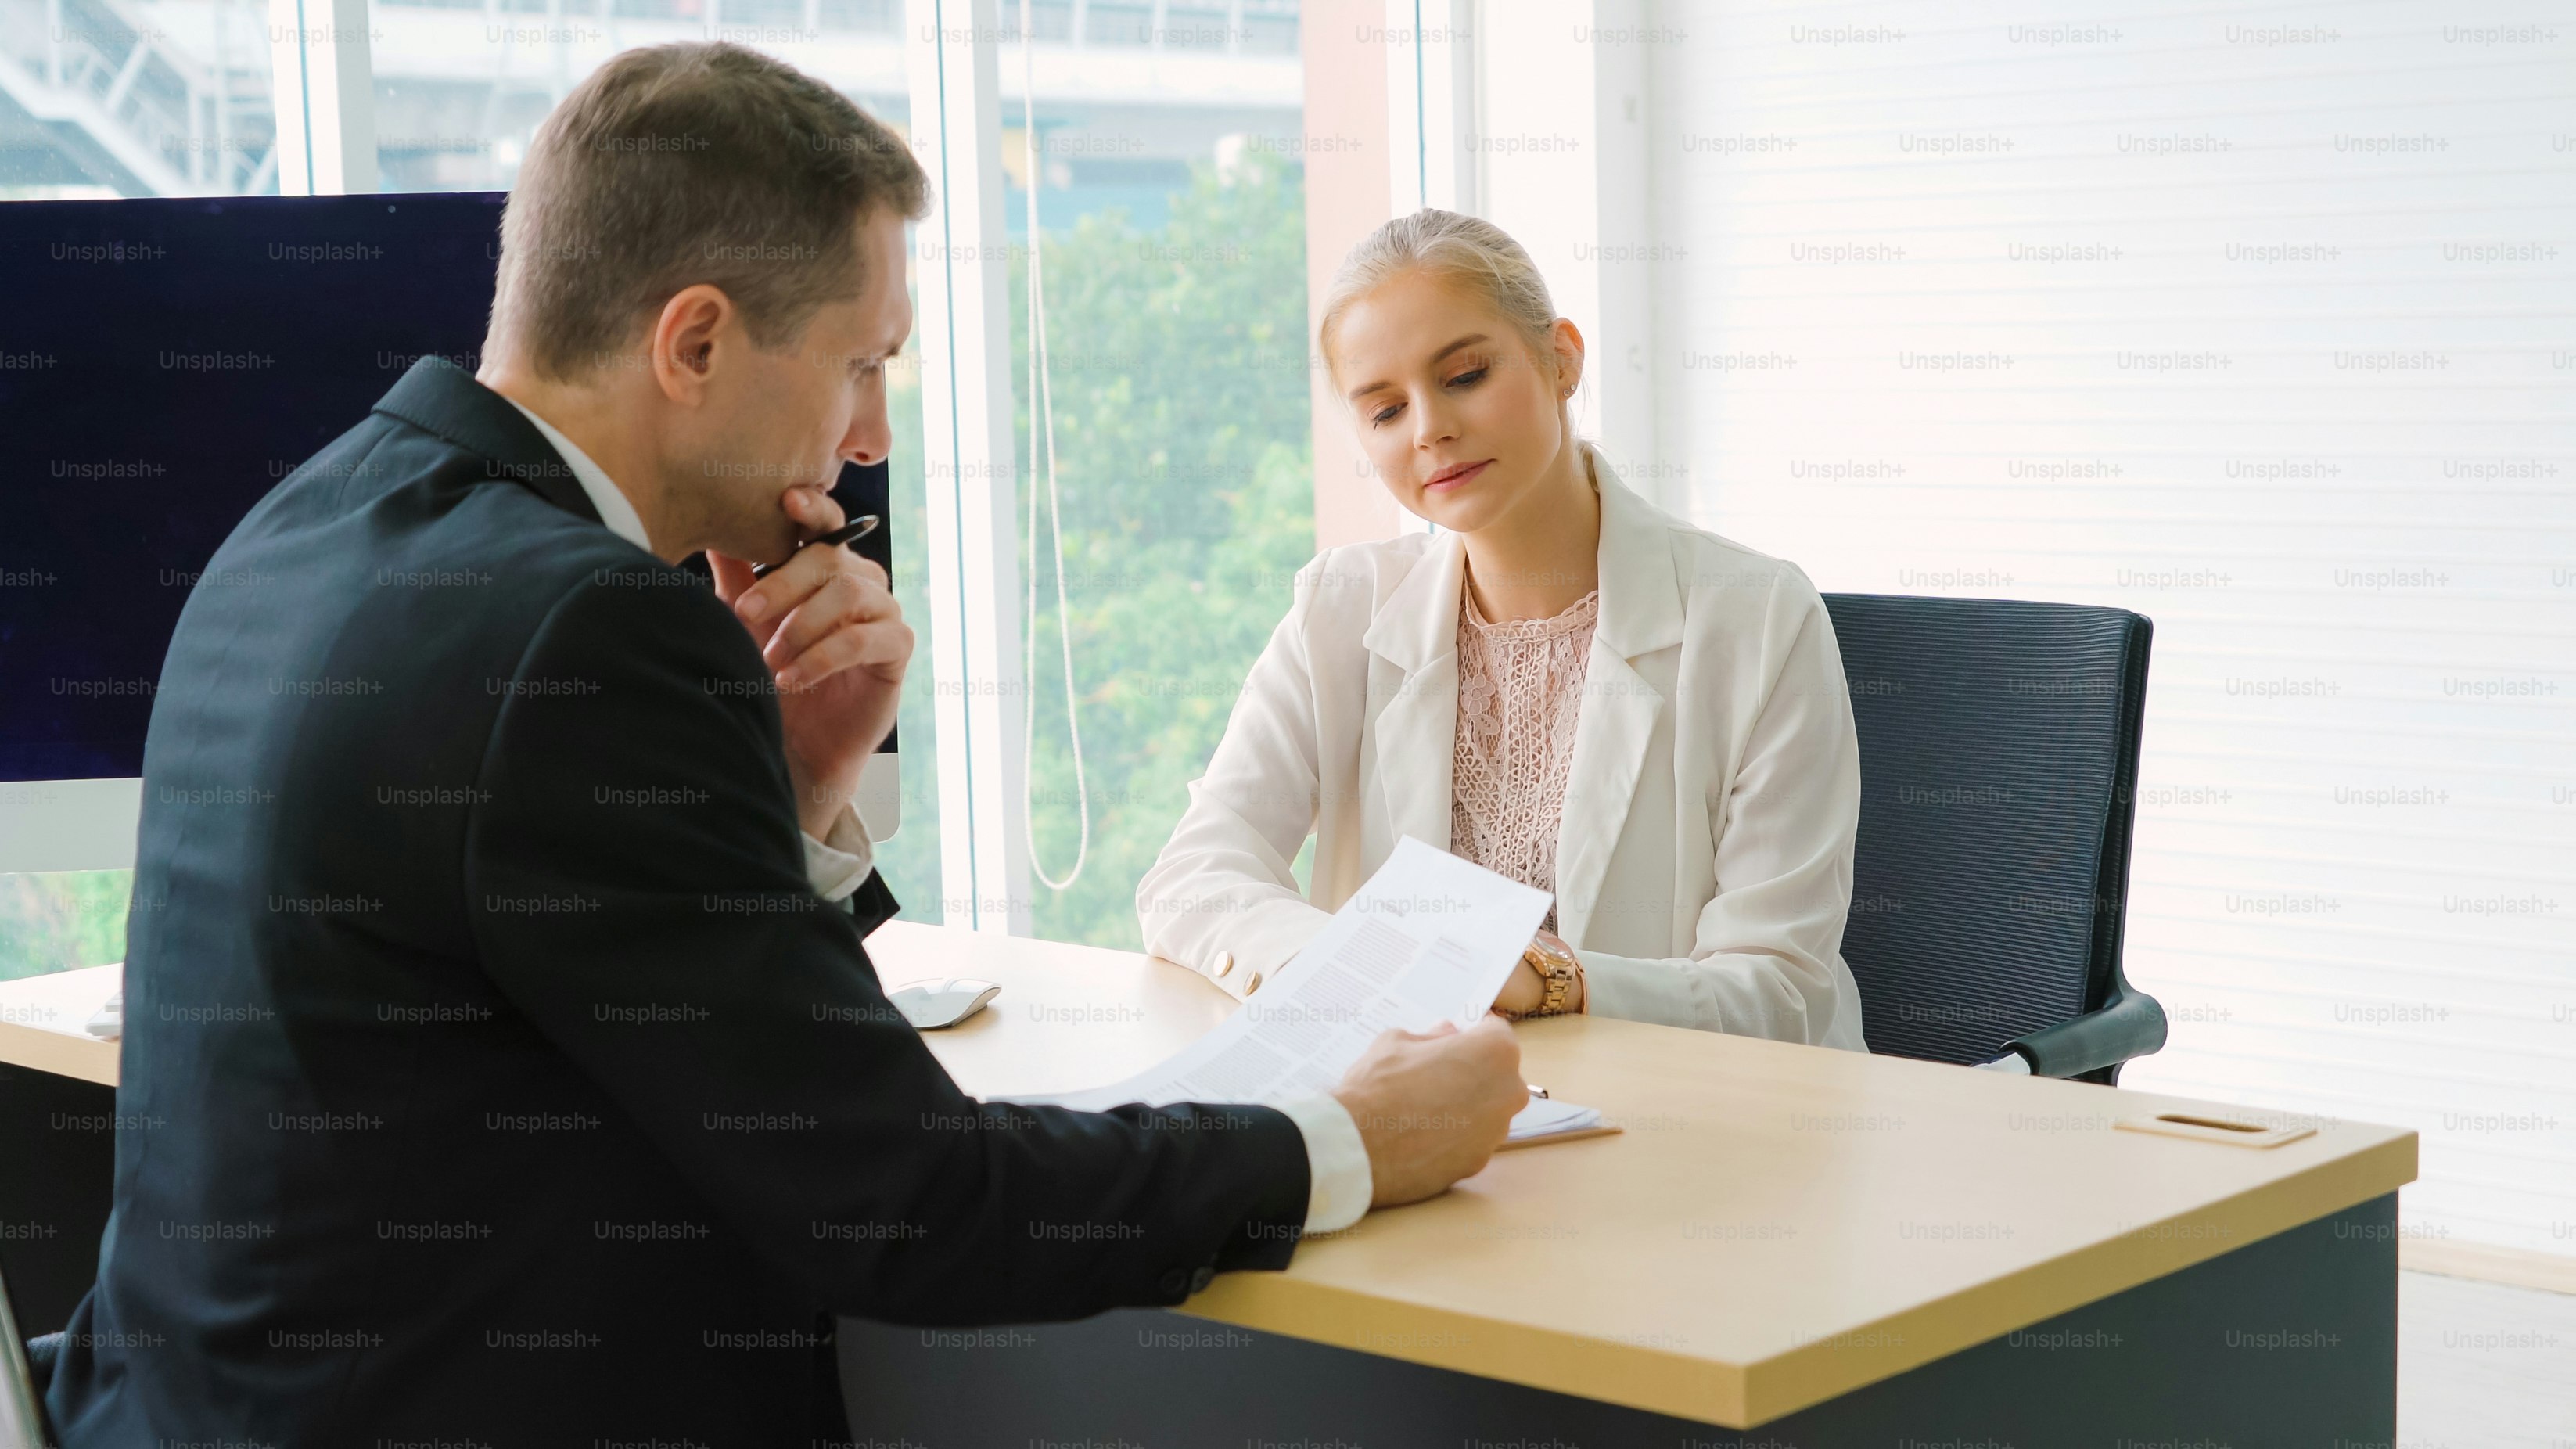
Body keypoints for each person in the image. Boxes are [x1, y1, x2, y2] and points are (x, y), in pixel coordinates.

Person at [41, 45, 1523, 1445]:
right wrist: (1339, 1135)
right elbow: (908, 1204)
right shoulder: (593, 631)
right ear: (694, 340)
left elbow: (588, 979)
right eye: (860, 362)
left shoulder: (305, 518)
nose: (868, 436)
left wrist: (794, 784)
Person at [1137, 210, 1868, 1051]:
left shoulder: (1757, 614)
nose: (1428, 429)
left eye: (1464, 375)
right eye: (1383, 411)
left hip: (1693, 1122)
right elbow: (1190, 877)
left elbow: (1777, 993)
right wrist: (1360, 965)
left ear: (1560, 359)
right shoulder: (1339, 607)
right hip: (1428, 1111)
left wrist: (1552, 979)